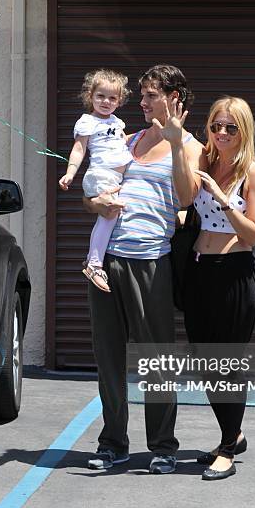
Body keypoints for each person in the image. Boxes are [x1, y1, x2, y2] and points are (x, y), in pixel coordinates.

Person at [82, 65, 206, 474]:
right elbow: (95, 195)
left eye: (151, 95)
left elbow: (187, 199)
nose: (142, 101)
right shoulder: (128, 138)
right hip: (109, 260)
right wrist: (97, 205)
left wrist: (172, 144)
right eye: (142, 95)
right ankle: (112, 442)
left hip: (151, 261)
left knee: (158, 359)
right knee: (109, 357)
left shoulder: (190, 146)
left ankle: (163, 445)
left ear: (175, 99)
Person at [157, 96, 255, 480]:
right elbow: (186, 197)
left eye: (230, 128)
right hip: (199, 271)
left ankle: (226, 450)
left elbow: (253, 235)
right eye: (215, 126)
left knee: (227, 364)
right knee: (204, 362)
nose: (221, 133)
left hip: (235, 272)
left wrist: (224, 201)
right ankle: (234, 435)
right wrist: (176, 144)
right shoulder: (205, 161)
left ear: (244, 131)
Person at [59, 68, 133, 292]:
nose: (106, 101)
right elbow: (79, 150)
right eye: (100, 96)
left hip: (116, 177)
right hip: (101, 175)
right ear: (90, 96)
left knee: (110, 217)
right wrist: (70, 173)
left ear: (119, 101)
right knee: (109, 215)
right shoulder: (87, 122)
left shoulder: (118, 123)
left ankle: (97, 260)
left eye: (112, 98)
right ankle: (94, 263)